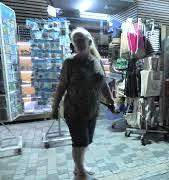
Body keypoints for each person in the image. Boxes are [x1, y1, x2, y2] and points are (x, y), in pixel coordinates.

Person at [51, 27, 115, 179]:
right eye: (75, 41)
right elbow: (61, 87)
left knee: (86, 141)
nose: (78, 43)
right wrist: (54, 108)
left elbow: (103, 84)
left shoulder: (97, 61)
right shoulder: (69, 63)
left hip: (92, 110)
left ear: (89, 41)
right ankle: (80, 173)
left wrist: (111, 101)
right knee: (79, 142)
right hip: (74, 111)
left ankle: (79, 165)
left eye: (81, 40)